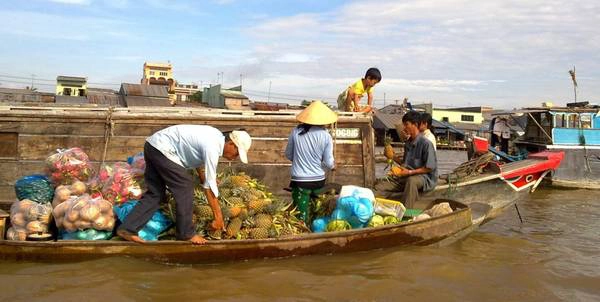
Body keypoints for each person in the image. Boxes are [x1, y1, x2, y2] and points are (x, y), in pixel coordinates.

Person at [117, 125, 252, 245]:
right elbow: (209, 187)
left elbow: (196, 155)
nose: (235, 158)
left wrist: (202, 175)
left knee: (156, 193)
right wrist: (218, 218)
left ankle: (127, 229)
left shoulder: (215, 136)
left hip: (152, 145)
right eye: (237, 154)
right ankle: (186, 234)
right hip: (163, 149)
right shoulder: (213, 147)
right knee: (185, 187)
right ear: (231, 144)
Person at [285, 101, 337, 223]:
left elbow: (288, 154)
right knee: (317, 214)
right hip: (318, 181)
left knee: (300, 217)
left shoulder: (296, 132)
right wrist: (333, 166)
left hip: (300, 181)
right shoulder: (326, 136)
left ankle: (301, 235)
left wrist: (299, 160)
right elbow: (328, 163)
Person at [390, 111, 438, 208]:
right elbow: (405, 164)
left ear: (415, 125)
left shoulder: (426, 143)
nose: (404, 128)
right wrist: (392, 157)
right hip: (408, 174)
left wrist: (409, 172)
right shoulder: (408, 143)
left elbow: (429, 168)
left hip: (425, 177)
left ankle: (406, 213)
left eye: (406, 125)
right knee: (381, 185)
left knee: (412, 181)